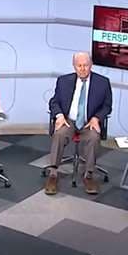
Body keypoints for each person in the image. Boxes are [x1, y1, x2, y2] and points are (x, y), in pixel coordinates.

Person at [45, 52, 112, 195]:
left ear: (91, 65)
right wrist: (59, 116)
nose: (82, 69)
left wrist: (96, 118)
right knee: (59, 134)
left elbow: (107, 106)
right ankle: (53, 174)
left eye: (85, 65)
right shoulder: (64, 81)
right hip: (68, 121)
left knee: (94, 137)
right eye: (79, 66)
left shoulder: (102, 82)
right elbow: (54, 102)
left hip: (89, 122)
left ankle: (89, 175)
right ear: (74, 66)